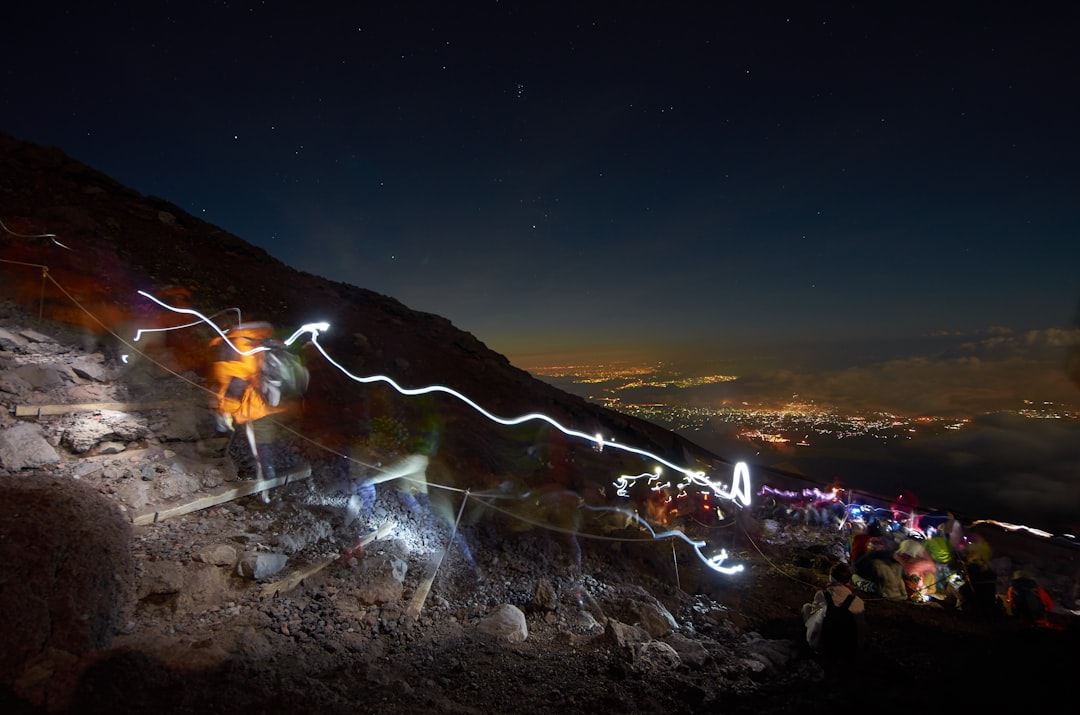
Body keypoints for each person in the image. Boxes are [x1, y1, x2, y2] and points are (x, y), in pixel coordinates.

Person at [208, 321, 307, 484]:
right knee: (270, 441)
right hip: (277, 403)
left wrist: (225, 412)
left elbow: (235, 383)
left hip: (255, 407)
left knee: (258, 446)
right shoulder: (266, 341)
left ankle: (266, 486)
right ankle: (281, 476)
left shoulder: (234, 346)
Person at [802, 561, 866, 662]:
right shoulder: (857, 601)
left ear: (831, 577)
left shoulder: (822, 595)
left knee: (806, 608)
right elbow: (860, 628)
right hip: (848, 649)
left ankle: (811, 644)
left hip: (823, 645)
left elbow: (815, 618)